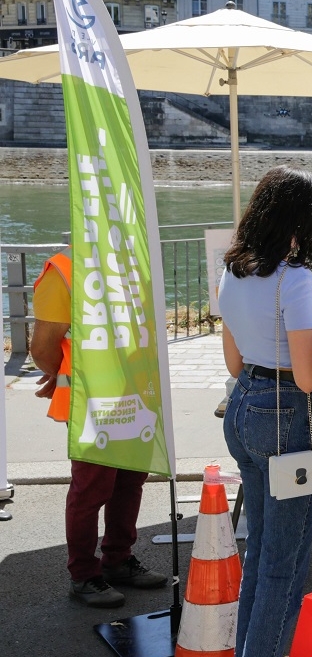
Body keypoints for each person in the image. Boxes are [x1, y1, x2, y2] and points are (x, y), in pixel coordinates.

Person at [218, 166, 312, 657]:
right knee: (283, 565)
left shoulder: (233, 270)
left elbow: (233, 359)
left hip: (244, 404)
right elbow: (310, 376)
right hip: (289, 416)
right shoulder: (296, 280)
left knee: (262, 551)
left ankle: (248, 645)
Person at [30, 249, 168, 608]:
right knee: (91, 488)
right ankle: (84, 575)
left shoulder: (134, 261)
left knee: (130, 481)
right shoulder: (63, 270)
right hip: (92, 399)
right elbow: (42, 347)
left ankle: (118, 560)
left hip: (134, 392)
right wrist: (63, 374)